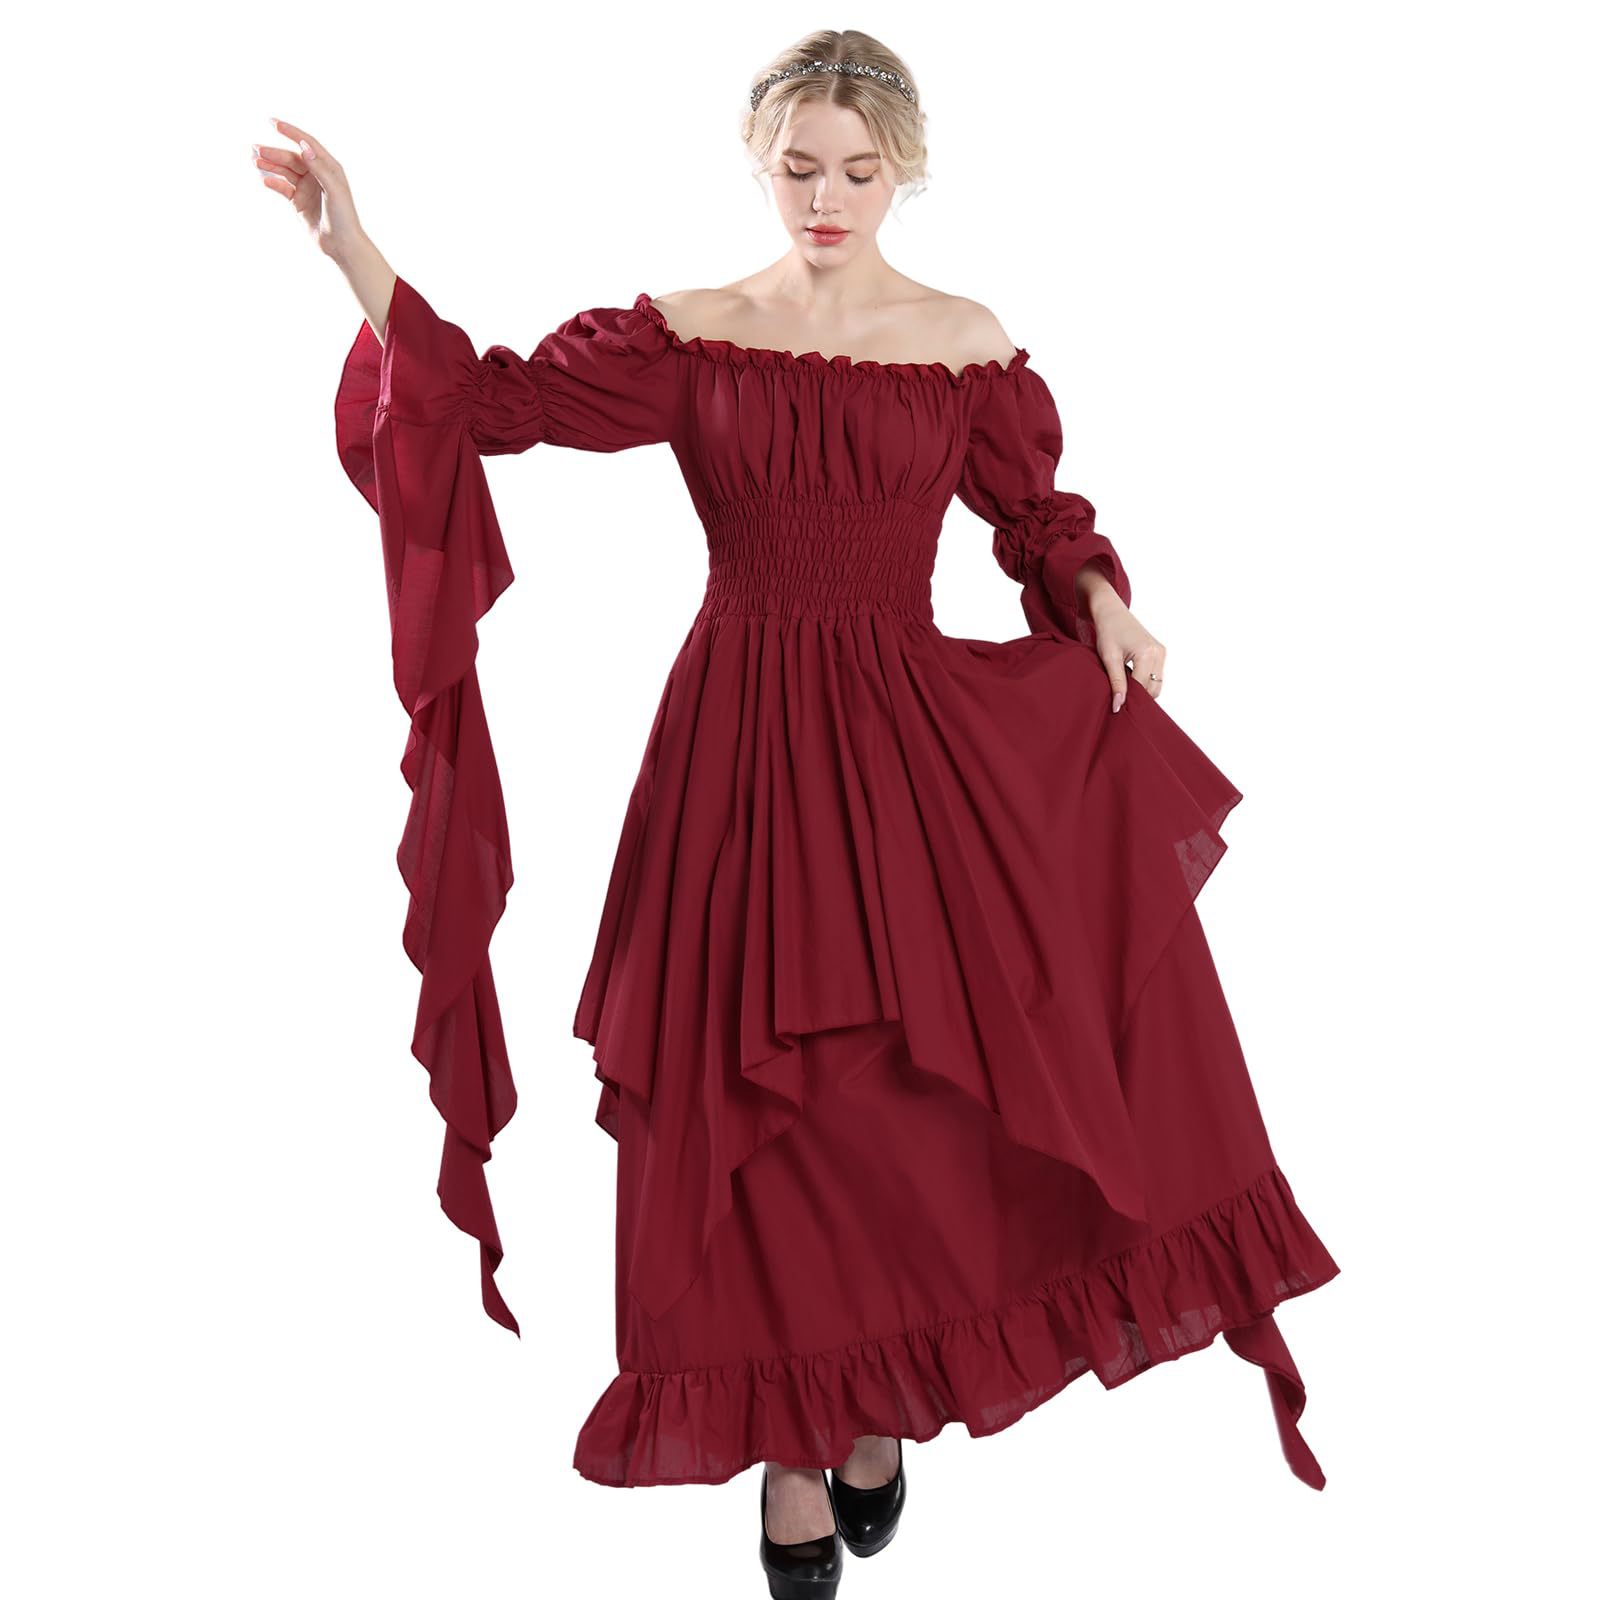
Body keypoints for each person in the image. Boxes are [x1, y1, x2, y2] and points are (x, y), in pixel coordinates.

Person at [258, 30, 1339, 1598]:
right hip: (739, 748)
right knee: (749, 1112)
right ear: (759, 164)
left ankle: (878, 1397)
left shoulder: (961, 342)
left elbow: (1035, 519)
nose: (826, 197)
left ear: (905, 169)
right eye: (798, 168)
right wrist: (352, 248)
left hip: (912, 747)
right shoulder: (695, 332)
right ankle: (788, 1446)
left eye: (857, 169)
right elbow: (487, 404)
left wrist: (1099, 597)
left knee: (900, 1103)